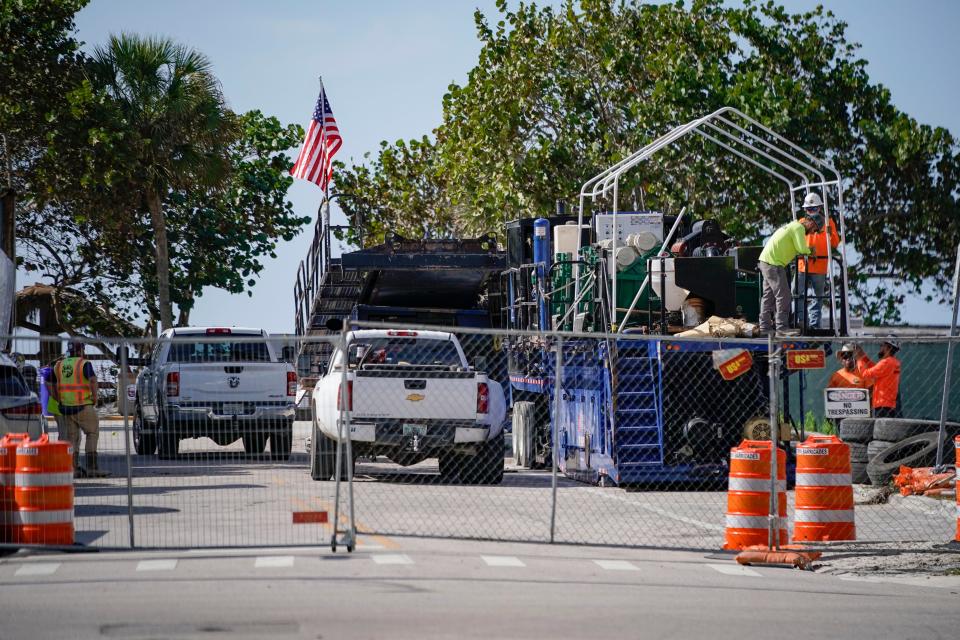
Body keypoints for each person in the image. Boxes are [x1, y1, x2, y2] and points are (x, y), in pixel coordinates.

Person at [49, 341, 110, 478]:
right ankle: (92, 468)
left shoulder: (59, 365)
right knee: (92, 432)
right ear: (80, 350)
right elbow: (93, 380)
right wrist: (95, 397)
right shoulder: (83, 363)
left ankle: (73, 469)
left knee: (72, 438)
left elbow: (51, 383)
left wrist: (58, 398)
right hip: (83, 405)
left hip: (66, 408)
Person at [757, 214, 822, 335]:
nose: (813, 232)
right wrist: (811, 251)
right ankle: (782, 328)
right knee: (784, 296)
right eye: (815, 229)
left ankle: (764, 328)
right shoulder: (799, 228)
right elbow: (802, 248)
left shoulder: (792, 226)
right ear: (810, 222)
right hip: (774, 263)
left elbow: (797, 248)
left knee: (768, 296)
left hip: (766, 261)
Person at [797, 193, 840, 330]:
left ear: (820, 208)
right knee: (796, 293)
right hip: (803, 265)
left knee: (818, 298)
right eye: (809, 209)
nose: (811, 212)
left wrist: (830, 232)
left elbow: (835, 243)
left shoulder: (828, 222)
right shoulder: (801, 222)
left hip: (820, 266)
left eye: (813, 208)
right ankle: (802, 322)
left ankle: (814, 326)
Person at [855, 338, 902, 418]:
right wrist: (863, 356)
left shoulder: (886, 362)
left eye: (882, 345)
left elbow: (865, 373)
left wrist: (859, 359)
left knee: (881, 429)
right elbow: (876, 368)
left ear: (888, 347)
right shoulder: (894, 362)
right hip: (888, 404)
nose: (880, 348)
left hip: (882, 404)